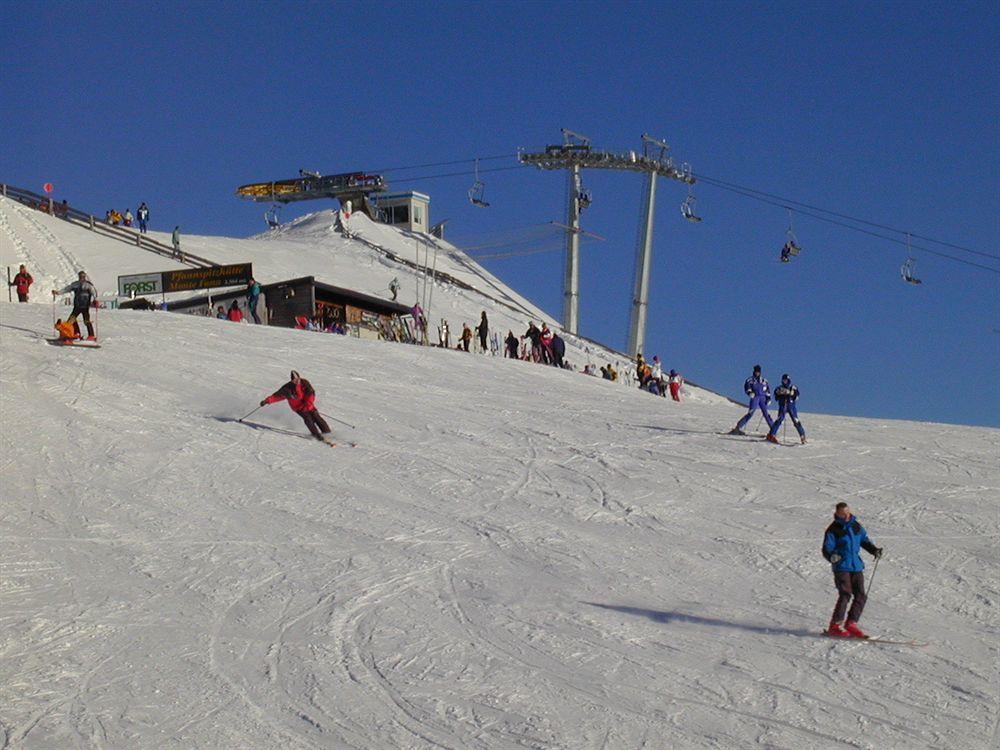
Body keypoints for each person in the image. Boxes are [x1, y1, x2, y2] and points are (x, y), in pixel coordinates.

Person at [822, 503, 882, 637]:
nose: (846, 516)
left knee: (861, 595)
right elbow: (826, 548)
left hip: (856, 565)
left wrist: (874, 550)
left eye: (848, 513)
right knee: (845, 594)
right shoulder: (833, 530)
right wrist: (832, 556)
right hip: (841, 566)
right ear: (837, 514)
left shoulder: (856, 526)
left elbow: (864, 540)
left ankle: (851, 623)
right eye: (843, 514)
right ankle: (835, 625)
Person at [260, 370, 332, 442]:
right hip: (298, 408)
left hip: (308, 405)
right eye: (294, 380)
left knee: (317, 417)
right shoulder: (287, 388)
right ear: (291, 380)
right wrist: (267, 401)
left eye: (297, 379)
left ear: (299, 378)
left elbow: (311, 394)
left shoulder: (305, 383)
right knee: (308, 419)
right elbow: (277, 396)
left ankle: (327, 433)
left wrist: (307, 404)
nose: (296, 381)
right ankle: (316, 435)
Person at [52, 271, 97, 340]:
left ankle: (91, 336)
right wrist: (58, 292)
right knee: (71, 320)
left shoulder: (89, 285)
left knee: (86, 321)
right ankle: (76, 333)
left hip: (85, 307)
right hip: (77, 307)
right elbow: (66, 289)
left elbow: (94, 293)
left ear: (85, 277)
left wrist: (95, 300)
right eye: (80, 276)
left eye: (83, 276)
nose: (82, 278)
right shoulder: (75, 284)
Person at [730, 365, 774, 435]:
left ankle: (773, 429)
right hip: (755, 397)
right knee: (751, 412)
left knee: (766, 413)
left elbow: (767, 390)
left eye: (758, 372)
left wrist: (768, 398)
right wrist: (750, 392)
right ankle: (738, 427)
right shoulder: (750, 380)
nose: (757, 373)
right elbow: (747, 387)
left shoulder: (764, 381)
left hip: (763, 398)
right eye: (756, 372)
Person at [767, 374, 807, 444]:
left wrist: (792, 394)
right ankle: (771, 435)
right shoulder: (779, 388)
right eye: (783, 380)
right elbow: (775, 396)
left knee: (796, 420)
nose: (785, 382)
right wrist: (780, 393)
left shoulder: (793, 387)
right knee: (779, 420)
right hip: (783, 406)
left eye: (786, 380)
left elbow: (797, 396)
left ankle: (802, 436)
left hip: (791, 406)